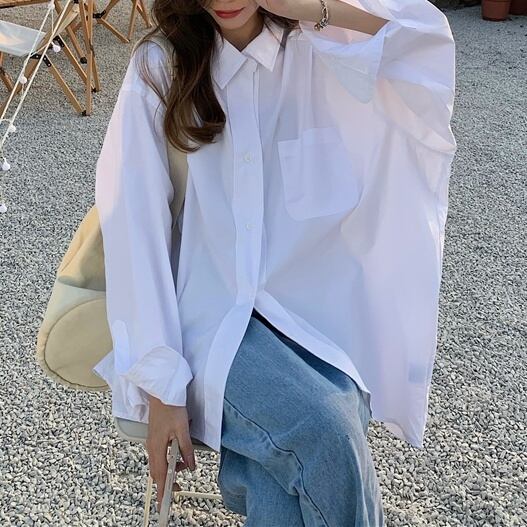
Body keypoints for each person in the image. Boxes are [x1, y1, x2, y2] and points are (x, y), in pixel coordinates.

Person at [93, 0, 457, 525]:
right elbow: (134, 225)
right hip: (209, 320)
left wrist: (313, 8)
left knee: (283, 479)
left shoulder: (323, 47)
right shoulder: (162, 64)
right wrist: (161, 383)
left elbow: (422, 40)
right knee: (327, 430)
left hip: (318, 320)